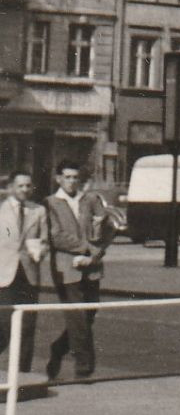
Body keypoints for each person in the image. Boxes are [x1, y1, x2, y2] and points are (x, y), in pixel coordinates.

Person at [43, 162, 116, 381]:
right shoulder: (51, 203)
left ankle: (58, 349)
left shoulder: (90, 200)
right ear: (58, 179)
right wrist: (86, 248)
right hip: (67, 269)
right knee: (77, 317)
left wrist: (95, 254)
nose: (72, 181)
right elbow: (55, 236)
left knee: (89, 314)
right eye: (67, 177)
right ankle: (84, 367)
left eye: (75, 177)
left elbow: (108, 227)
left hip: (91, 267)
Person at [0, 172, 47, 375]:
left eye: (28, 186)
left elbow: (44, 240)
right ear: (11, 187)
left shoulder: (38, 211)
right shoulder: (1, 209)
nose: (25, 190)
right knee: (4, 325)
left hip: (29, 273)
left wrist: (40, 251)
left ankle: (22, 376)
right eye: (20, 186)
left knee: (27, 326)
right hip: (4, 274)